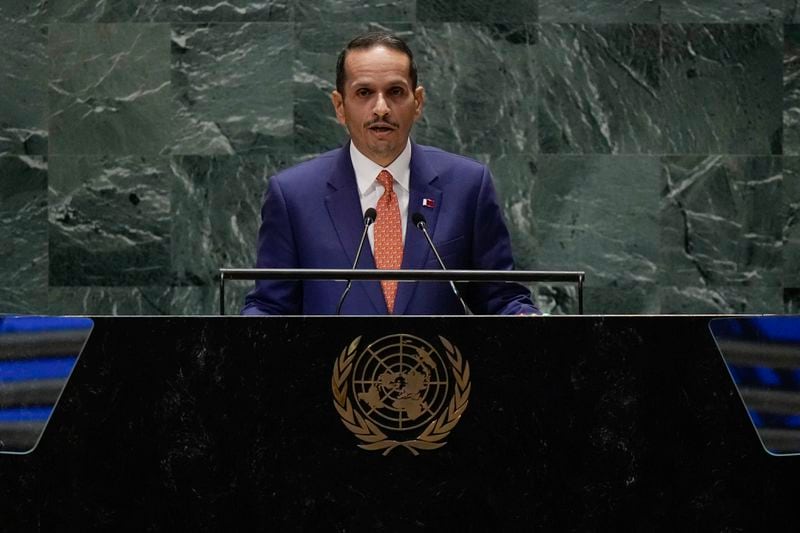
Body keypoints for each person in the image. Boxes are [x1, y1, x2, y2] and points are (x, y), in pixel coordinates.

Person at [241, 31, 537, 315]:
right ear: (340, 106)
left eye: (395, 92)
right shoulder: (293, 195)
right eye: (364, 93)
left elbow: (501, 297)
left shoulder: (468, 186)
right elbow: (270, 306)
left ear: (417, 102)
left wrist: (525, 319)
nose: (381, 108)